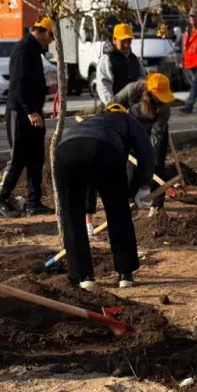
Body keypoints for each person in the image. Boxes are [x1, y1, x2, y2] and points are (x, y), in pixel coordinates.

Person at [52, 105, 155, 289]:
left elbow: (89, 182)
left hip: (65, 152)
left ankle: (83, 277)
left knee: (72, 215)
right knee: (118, 211)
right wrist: (144, 186)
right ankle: (125, 274)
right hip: (104, 149)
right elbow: (146, 153)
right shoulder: (129, 120)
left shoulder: (90, 121)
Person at [0, 18, 55, 218]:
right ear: (46, 32)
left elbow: (30, 83)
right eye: (52, 37)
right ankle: (1, 199)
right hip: (21, 113)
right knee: (18, 157)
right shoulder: (24, 49)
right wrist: (29, 111)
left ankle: (33, 202)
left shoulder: (34, 50)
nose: (51, 42)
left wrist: (47, 90)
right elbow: (18, 84)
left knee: (36, 158)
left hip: (33, 112)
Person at [111, 72, 175, 211]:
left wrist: (148, 157)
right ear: (150, 92)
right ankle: (128, 201)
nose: (162, 99)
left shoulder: (164, 107)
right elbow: (113, 106)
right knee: (130, 167)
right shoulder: (133, 90)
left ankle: (157, 206)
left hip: (154, 133)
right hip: (132, 131)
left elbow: (156, 135)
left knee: (156, 165)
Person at [96, 23, 144, 106]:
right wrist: (111, 104)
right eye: (123, 41)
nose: (126, 44)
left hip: (134, 108)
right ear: (114, 40)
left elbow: (142, 80)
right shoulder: (107, 59)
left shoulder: (134, 59)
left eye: (129, 40)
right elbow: (104, 84)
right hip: (115, 107)